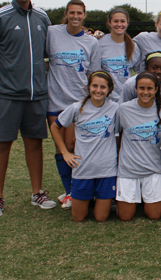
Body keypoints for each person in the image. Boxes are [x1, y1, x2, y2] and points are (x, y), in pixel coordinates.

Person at [0, 0, 56, 217]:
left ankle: (37, 193)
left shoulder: (43, 17)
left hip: (36, 95)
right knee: (2, 145)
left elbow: (51, 52)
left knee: (35, 144)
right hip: (5, 95)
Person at [46, 0, 102, 210]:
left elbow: (93, 75)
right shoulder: (53, 33)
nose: (75, 16)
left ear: (84, 14)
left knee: (71, 146)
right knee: (60, 147)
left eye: (79, 13)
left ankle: (76, 190)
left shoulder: (91, 42)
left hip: (77, 101)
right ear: (66, 13)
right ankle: (70, 192)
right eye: (72, 13)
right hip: (55, 99)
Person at [50, 71, 119, 222]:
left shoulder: (115, 108)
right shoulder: (76, 108)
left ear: (109, 89)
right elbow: (55, 127)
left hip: (106, 170)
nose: (98, 90)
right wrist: (65, 153)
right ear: (88, 87)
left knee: (101, 218)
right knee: (78, 218)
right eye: (94, 86)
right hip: (83, 169)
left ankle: (103, 198)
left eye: (103, 87)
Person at [114, 72, 161, 221]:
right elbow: (117, 135)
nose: (145, 92)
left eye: (149, 88)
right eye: (141, 88)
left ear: (156, 90)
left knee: (154, 215)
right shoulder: (123, 109)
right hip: (128, 169)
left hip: (154, 169)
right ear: (136, 89)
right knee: (125, 217)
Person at [98, 8, 141, 103]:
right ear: (109, 22)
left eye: (122, 21)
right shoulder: (100, 43)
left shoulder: (134, 46)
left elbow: (139, 74)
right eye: (115, 21)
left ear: (127, 23)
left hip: (126, 100)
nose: (119, 24)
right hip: (105, 100)